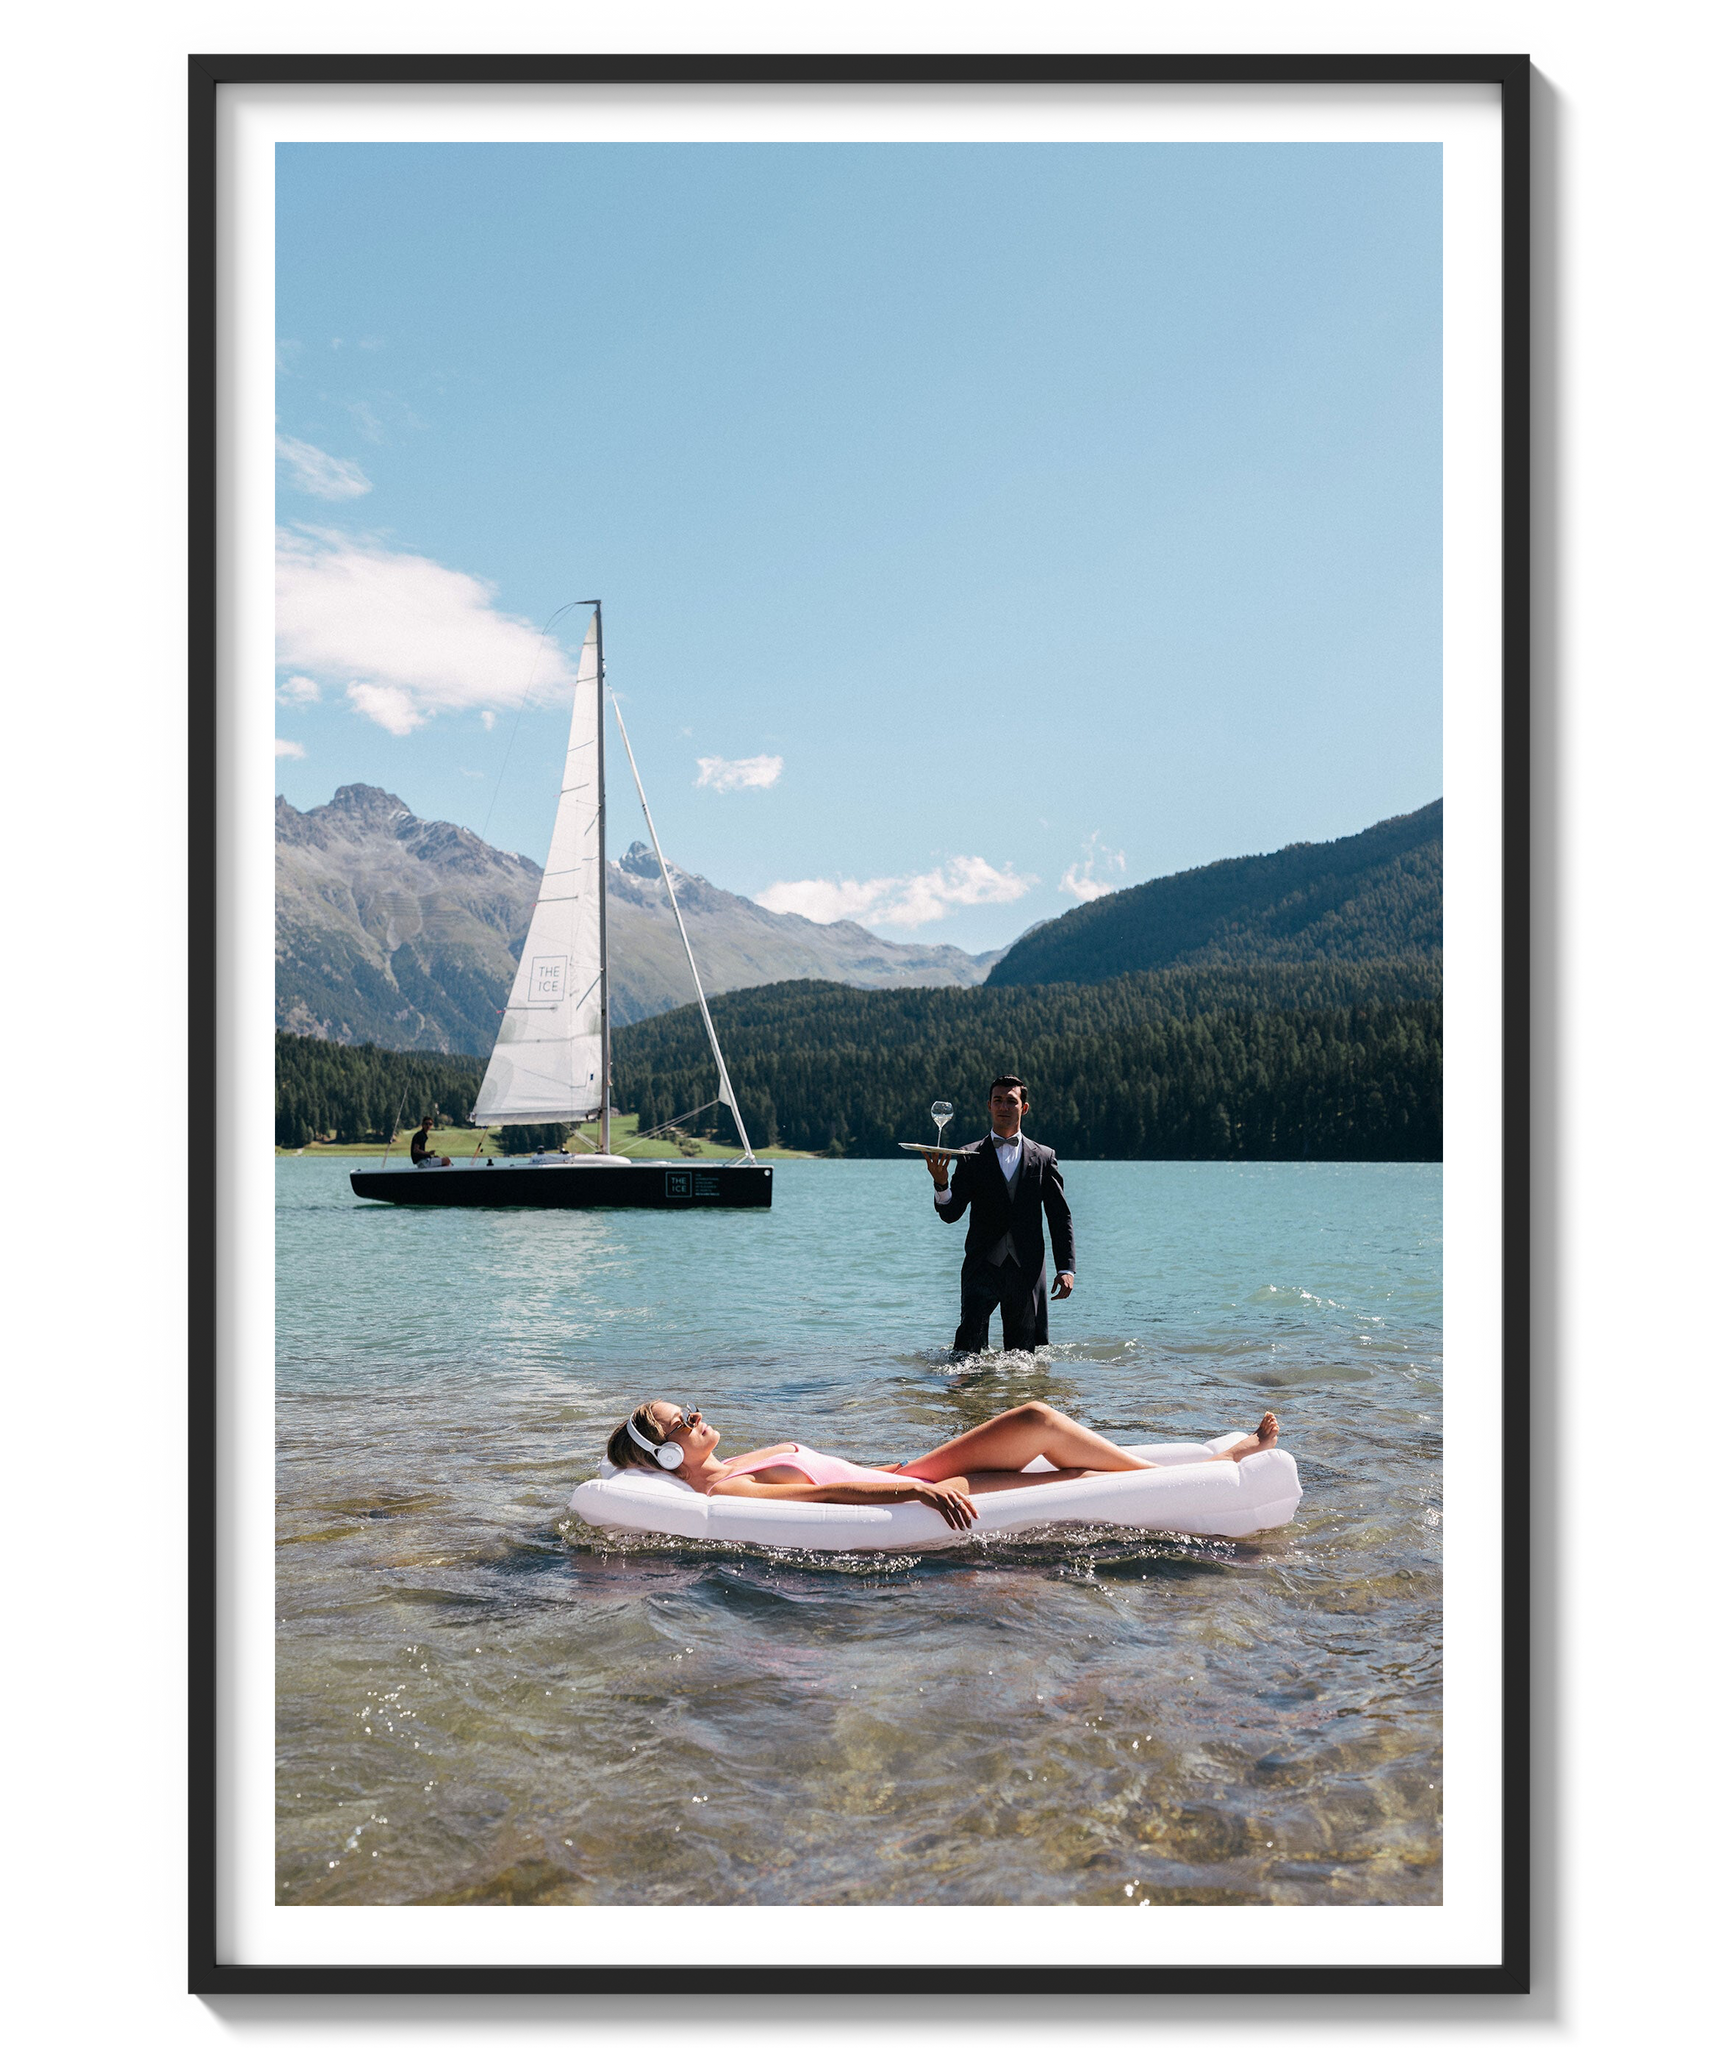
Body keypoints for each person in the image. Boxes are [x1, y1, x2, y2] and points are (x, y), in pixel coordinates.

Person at [605, 1399, 1281, 1532]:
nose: (697, 1416)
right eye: (681, 1422)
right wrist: (918, 1497)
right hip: (915, 1490)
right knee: (1043, 1434)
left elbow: (827, 1467)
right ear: (667, 1453)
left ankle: (1212, 1458)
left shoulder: (732, 1461)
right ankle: (1218, 1463)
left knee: (1040, 1428)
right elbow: (825, 1498)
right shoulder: (731, 1488)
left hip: (910, 1470)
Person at [925, 1075, 1073, 1356]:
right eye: (997, 1101)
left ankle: (1021, 1400)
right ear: (989, 1106)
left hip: (1026, 1269)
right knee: (966, 1355)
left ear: (1024, 1108)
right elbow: (951, 1214)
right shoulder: (969, 1155)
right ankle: (968, 1400)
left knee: (1024, 1358)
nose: (1003, 1106)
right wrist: (941, 1183)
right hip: (982, 1267)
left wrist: (1066, 1268)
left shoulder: (1043, 1156)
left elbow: (1059, 1216)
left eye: (1011, 1101)